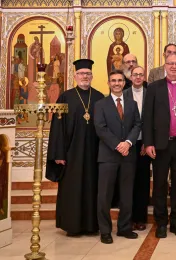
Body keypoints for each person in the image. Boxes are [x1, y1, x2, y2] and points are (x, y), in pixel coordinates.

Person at [46, 59, 105, 236]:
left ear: (92, 76)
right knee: (72, 188)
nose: (84, 76)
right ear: (75, 76)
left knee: (92, 187)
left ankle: (91, 225)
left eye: (87, 74)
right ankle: (72, 225)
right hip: (71, 153)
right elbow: (57, 127)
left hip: (94, 153)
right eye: (81, 74)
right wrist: (58, 153)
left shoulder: (100, 98)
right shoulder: (65, 97)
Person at [143, 54, 176, 238]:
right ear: (165, 66)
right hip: (160, 144)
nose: (174, 67)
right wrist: (148, 142)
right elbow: (147, 117)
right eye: (170, 63)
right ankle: (161, 223)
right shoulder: (154, 88)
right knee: (159, 185)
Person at [94, 70, 141, 244]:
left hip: (128, 155)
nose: (116, 83)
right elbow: (100, 128)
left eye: (120, 80)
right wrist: (117, 145)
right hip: (108, 156)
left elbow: (137, 124)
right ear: (108, 83)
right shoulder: (101, 104)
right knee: (104, 195)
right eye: (113, 80)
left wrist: (128, 142)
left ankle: (124, 228)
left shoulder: (132, 103)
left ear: (124, 83)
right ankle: (105, 230)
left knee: (127, 194)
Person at [123, 66, 151, 231]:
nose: (138, 77)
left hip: (144, 143)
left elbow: (153, 119)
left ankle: (140, 218)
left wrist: (147, 142)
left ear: (144, 77)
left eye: (141, 75)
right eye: (135, 75)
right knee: (127, 181)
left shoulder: (150, 93)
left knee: (142, 181)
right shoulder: (124, 93)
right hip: (127, 143)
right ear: (130, 77)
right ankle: (128, 218)